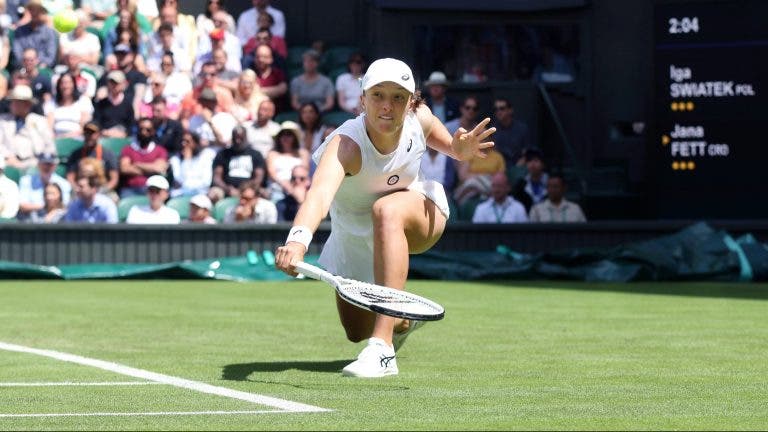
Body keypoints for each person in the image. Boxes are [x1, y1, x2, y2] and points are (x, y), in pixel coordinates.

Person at [274, 58, 495, 378]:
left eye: (398, 97)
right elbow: (319, 194)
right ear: (362, 100)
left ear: (411, 102)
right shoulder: (345, 144)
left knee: (386, 209)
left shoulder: (420, 119)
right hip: (355, 237)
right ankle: (402, 321)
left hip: (417, 215)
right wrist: (297, 240)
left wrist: (461, 149)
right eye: (378, 95)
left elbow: (453, 149)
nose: (387, 106)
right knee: (354, 330)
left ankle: (383, 348)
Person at [0, 85, 55, 170]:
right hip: (9, 162)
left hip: (33, 164)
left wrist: (40, 161)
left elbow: (49, 146)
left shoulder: (39, 121)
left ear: (27, 104)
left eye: (17, 102)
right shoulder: (3, 120)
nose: (12, 104)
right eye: (13, 101)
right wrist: (8, 157)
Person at [118, 117, 169, 197]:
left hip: (152, 190)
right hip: (130, 189)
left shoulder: (160, 150)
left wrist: (137, 164)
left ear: (153, 131)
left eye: (148, 130)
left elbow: (159, 168)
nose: (144, 132)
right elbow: (124, 169)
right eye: (141, 129)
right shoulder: (127, 149)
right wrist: (150, 170)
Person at [65, 122, 120, 195]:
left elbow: (114, 179)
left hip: (102, 189)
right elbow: (70, 177)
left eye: (92, 133)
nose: (89, 136)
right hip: (81, 189)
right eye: (87, 133)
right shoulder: (76, 154)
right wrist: (76, 188)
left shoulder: (108, 154)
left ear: (99, 134)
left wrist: (103, 190)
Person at [211, 125, 266, 197]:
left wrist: (246, 189)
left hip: (250, 188)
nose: (238, 141)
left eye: (241, 138)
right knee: (213, 194)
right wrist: (228, 189)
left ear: (246, 138)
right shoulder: (223, 154)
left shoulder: (256, 154)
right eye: (235, 138)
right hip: (227, 189)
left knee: (264, 193)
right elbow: (217, 178)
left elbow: (259, 178)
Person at [16, 152, 71, 220]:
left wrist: (50, 214)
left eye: (49, 164)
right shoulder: (26, 180)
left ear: (55, 166)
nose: (46, 167)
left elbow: (64, 206)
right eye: (44, 164)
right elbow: (22, 205)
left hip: (56, 219)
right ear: (38, 164)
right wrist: (46, 207)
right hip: (30, 220)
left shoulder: (64, 183)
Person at [266, 121, 310, 202]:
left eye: (289, 134)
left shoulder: (303, 153)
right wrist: (284, 184)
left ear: (294, 137)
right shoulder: (272, 154)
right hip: (277, 189)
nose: (285, 137)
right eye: (283, 134)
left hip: (298, 186)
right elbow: (271, 174)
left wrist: (293, 186)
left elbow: (304, 172)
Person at [45, 72, 93, 139]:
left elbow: (84, 127)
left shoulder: (83, 101)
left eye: (68, 83)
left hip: (77, 139)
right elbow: (49, 126)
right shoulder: (52, 103)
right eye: (63, 83)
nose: (65, 86)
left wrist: (66, 136)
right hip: (56, 139)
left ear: (74, 84)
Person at [11, 0, 57, 69]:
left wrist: (37, 63)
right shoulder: (20, 31)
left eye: (38, 10)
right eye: (32, 10)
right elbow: (17, 53)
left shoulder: (49, 33)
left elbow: (50, 57)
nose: (35, 13)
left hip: (42, 68)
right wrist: (26, 63)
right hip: (23, 67)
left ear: (42, 13)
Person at [168, 131, 216, 197]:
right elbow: (179, 180)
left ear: (195, 143)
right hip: (180, 194)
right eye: (182, 141)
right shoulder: (175, 159)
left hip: (200, 194)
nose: (183, 144)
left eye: (187, 141)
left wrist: (188, 184)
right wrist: (186, 160)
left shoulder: (205, 157)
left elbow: (206, 182)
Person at [491, 97, 532, 168]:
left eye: (502, 108)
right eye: (496, 109)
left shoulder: (522, 128)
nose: (498, 111)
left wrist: (518, 167)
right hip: (498, 169)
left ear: (510, 110)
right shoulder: (492, 130)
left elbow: (527, 152)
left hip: (519, 167)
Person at [93, 70, 135, 138]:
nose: (114, 85)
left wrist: (124, 134)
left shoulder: (128, 105)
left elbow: (131, 126)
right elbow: (96, 122)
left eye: (117, 83)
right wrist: (104, 132)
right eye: (112, 82)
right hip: (104, 138)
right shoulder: (101, 104)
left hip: (122, 140)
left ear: (123, 84)